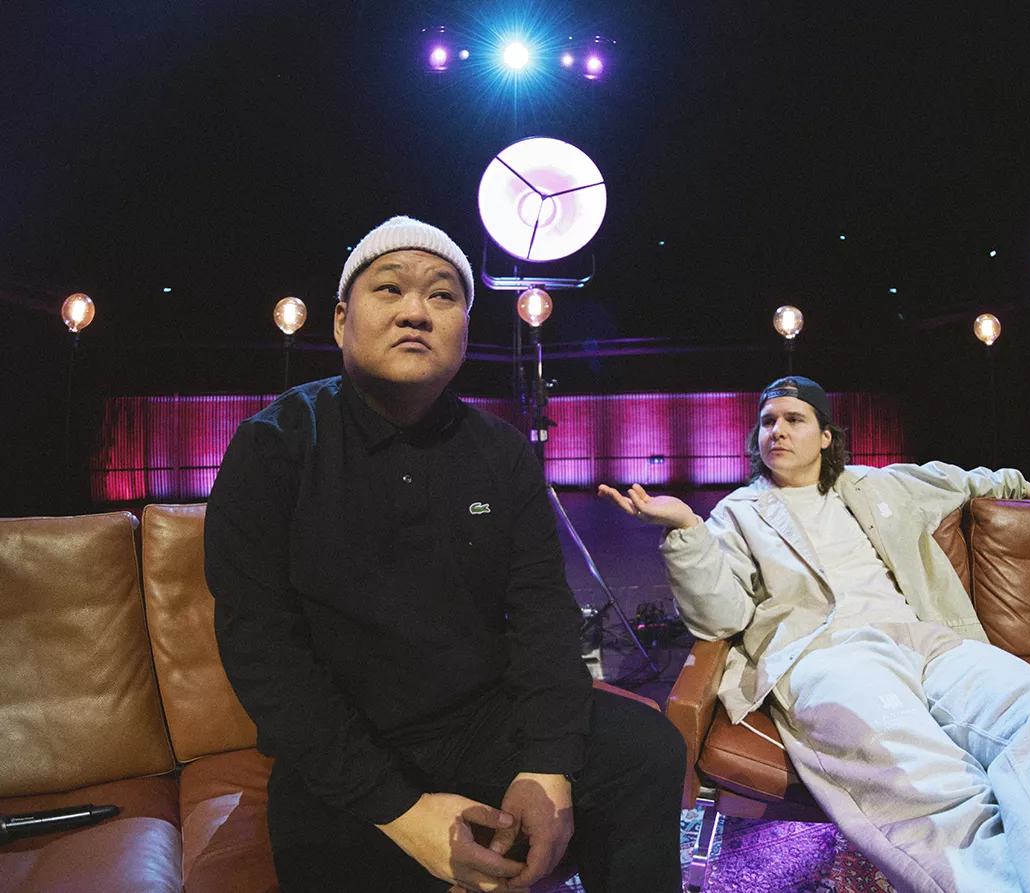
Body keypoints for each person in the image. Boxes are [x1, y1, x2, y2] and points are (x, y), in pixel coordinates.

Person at [600, 375, 1030, 893]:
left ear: (827, 435)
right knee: (921, 772)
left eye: (794, 418)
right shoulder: (738, 513)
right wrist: (685, 531)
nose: (776, 430)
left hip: (928, 640)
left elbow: (966, 481)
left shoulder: (882, 485)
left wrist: (1022, 487)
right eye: (767, 421)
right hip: (827, 654)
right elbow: (719, 617)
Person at [205, 216, 685, 893]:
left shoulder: (501, 451)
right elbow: (261, 648)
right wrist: (401, 812)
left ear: (464, 329)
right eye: (389, 289)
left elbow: (543, 616)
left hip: (483, 723)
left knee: (646, 750)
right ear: (341, 321)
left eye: (441, 295)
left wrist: (546, 765)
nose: (415, 312)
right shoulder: (275, 444)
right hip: (344, 742)